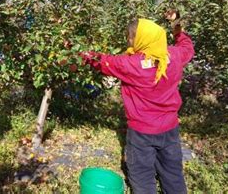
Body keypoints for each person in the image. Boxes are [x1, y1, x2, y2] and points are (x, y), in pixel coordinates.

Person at [79, 11, 194, 194]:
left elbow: (100, 61)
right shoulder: (174, 55)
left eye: (131, 37)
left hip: (142, 132)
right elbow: (187, 47)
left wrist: (75, 50)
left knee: (142, 176)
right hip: (170, 129)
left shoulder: (130, 64)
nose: (129, 42)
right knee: (173, 174)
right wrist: (177, 29)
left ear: (140, 39)